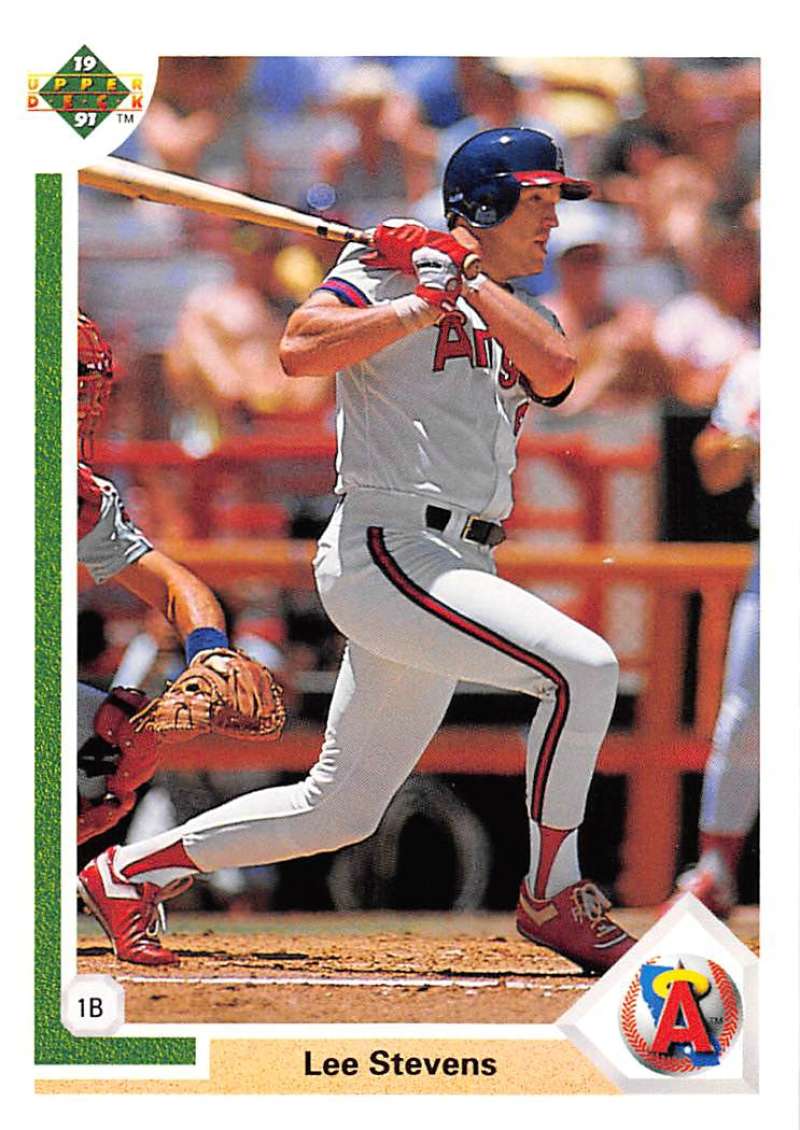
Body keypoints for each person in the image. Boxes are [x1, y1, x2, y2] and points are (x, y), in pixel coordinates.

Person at [78, 128, 637, 973]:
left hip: (459, 562)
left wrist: (466, 278)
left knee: (339, 809)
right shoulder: (384, 270)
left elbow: (557, 370)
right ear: (483, 205)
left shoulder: (517, 303)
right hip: (390, 545)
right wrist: (416, 297)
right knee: (584, 668)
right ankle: (552, 893)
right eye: (537, 204)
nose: (551, 225)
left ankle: (129, 871)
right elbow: (298, 350)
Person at [76, 311, 233, 855]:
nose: (80, 407)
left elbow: (173, 587)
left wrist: (211, 655)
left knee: (115, 738)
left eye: (83, 386)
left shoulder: (78, 497)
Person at [663, 348, 759, 917]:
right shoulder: (757, 368)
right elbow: (714, 471)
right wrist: (738, 443)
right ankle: (716, 869)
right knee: (744, 714)